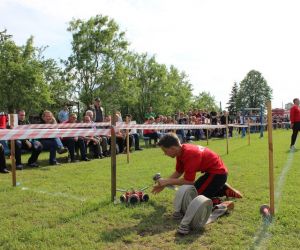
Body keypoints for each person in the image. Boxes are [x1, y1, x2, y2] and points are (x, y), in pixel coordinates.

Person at [152, 133, 242, 200]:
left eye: (165, 151)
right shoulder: (181, 152)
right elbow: (178, 172)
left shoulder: (190, 154)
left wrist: (167, 181)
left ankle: (221, 202)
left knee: (194, 198)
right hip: (212, 174)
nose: (165, 154)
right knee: (193, 192)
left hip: (217, 174)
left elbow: (189, 181)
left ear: (173, 148)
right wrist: (164, 184)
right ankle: (223, 189)